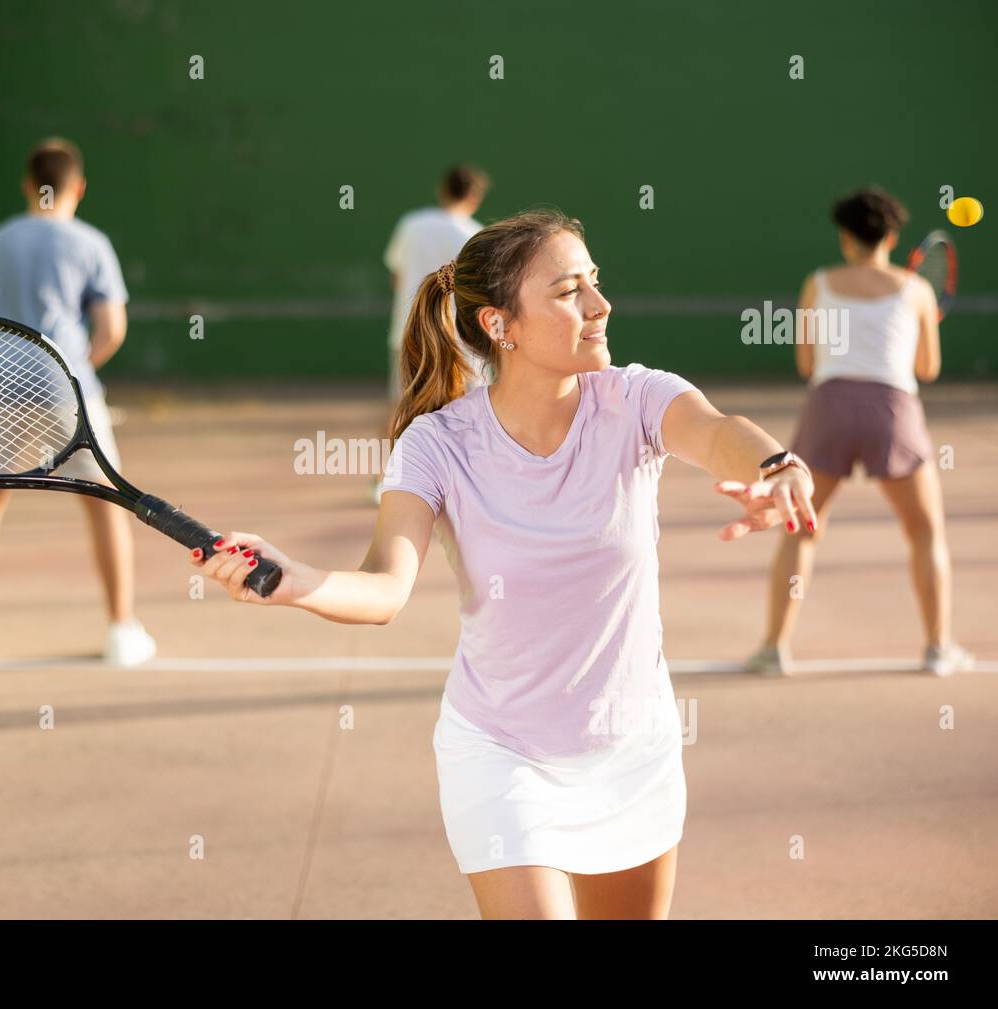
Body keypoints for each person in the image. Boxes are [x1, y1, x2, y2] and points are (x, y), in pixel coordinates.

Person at [186, 208, 818, 919]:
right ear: (500, 325)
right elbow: (385, 586)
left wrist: (777, 465)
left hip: (632, 751)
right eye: (569, 290)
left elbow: (717, 430)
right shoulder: (437, 443)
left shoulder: (636, 399)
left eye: (596, 282)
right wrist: (297, 580)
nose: (600, 305)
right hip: (501, 751)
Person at [745, 187, 974, 677]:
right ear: (891, 236)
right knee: (926, 532)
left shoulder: (818, 283)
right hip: (893, 411)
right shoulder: (917, 291)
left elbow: (806, 362)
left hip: (828, 406)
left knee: (802, 530)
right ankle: (938, 649)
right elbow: (928, 369)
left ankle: (773, 649)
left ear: (846, 238)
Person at [0, 137, 156, 669]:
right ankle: (120, 633)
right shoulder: (91, 243)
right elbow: (112, 327)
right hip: (66, 386)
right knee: (106, 506)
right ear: (79, 188)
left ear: (27, 184)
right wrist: (79, 362)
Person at [374, 166, 490, 503]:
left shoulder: (411, 224)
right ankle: (471, 483)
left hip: (408, 331)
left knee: (401, 406)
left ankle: (383, 480)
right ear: (474, 197)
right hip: (461, 338)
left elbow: (397, 277)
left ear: (443, 190)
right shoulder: (474, 234)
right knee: (471, 410)